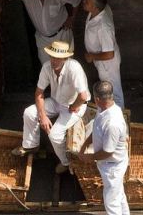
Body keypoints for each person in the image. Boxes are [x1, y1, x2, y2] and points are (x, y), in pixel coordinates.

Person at [71, 81, 129, 215]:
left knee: (110, 200)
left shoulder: (113, 123)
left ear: (97, 99)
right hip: (109, 164)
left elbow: (108, 152)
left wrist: (89, 157)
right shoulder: (106, 109)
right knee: (117, 192)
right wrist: (85, 144)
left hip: (112, 165)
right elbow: (96, 129)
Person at [13, 40, 90, 174]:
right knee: (29, 113)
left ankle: (65, 163)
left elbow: (83, 96)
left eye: (58, 58)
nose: (54, 61)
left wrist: (74, 106)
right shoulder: (47, 67)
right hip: (56, 101)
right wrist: (42, 116)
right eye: (52, 57)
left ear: (65, 58)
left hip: (75, 105)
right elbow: (39, 93)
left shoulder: (74, 68)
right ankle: (31, 145)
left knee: (54, 135)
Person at [8, 0, 81, 63]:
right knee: (47, 70)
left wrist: (72, 18)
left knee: (65, 67)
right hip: (42, 40)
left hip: (61, 35)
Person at [82, 0, 124, 108]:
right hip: (102, 62)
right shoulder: (100, 10)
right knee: (110, 89)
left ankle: (121, 118)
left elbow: (109, 54)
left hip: (107, 64)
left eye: (88, 1)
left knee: (114, 92)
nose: (84, 1)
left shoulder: (103, 26)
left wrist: (92, 56)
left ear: (95, 7)